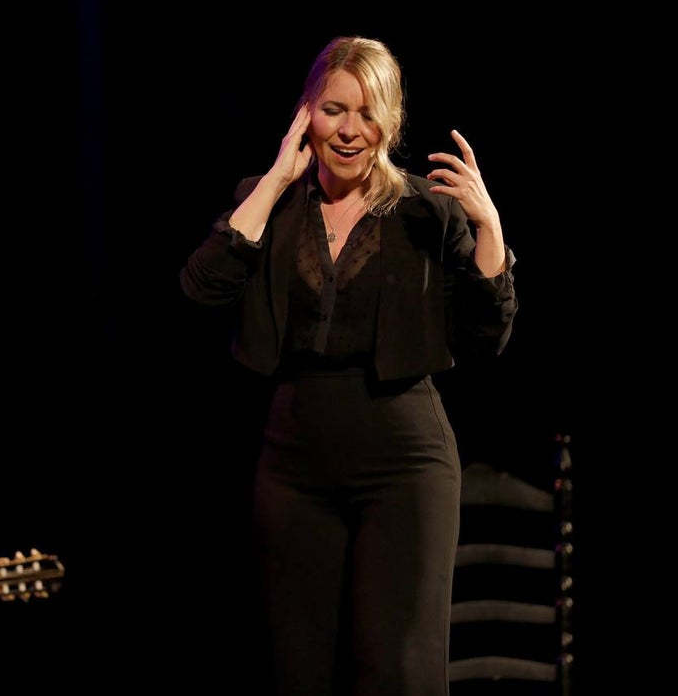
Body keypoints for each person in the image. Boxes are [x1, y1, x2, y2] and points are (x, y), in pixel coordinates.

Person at [179, 35, 518, 695]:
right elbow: (201, 290)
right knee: (295, 670)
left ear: (391, 120)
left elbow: (488, 336)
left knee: (398, 672)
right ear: (306, 112)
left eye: (367, 113)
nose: (349, 130)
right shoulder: (271, 203)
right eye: (334, 109)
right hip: (294, 467)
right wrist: (276, 179)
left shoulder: (427, 209)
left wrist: (490, 228)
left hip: (405, 465)